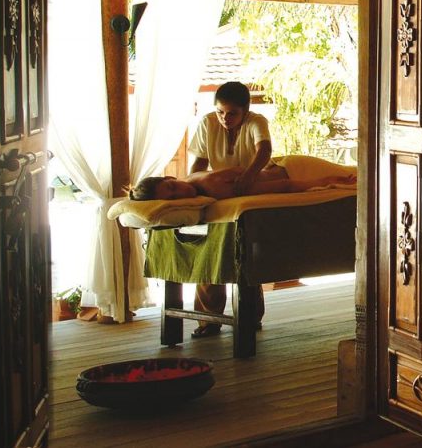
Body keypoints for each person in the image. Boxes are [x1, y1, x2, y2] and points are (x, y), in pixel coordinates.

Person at [185, 81, 274, 339]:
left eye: (232, 113)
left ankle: (250, 317)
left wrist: (249, 176)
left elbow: (264, 150)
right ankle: (208, 321)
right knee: (210, 255)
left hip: (248, 193)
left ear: (246, 110)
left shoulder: (257, 122)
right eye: (220, 112)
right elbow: (200, 162)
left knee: (247, 259)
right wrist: (193, 188)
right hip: (219, 193)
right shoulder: (208, 123)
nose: (225, 118)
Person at [128, 168, 356, 201]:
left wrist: (326, 181)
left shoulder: (211, 186)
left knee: (358, 178)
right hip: (290, 170)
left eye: (172, 187)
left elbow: (283, 185)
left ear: (169, 177)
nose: (181, 193)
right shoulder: (192, 179)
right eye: (173, 198)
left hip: (298, 172)